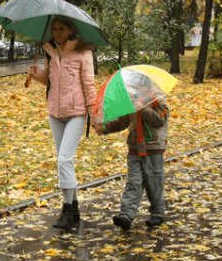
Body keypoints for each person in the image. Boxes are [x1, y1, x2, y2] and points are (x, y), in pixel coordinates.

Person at [27, 16, 97, 231]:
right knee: (64, 160)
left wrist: (94, 114)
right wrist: (36, 74)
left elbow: (89, 83)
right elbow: (49, 79)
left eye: (61, 29)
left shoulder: (83, 52)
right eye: (54, 29)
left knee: (64, 160)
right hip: (55, 112)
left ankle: (66, 211)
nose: (57, 32)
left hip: (76, 112)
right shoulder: (50, 51)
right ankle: (74, 209)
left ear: (71, 30)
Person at [93, 99, 169, 231]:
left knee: (153, 181)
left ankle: (158, 212)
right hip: (135, 147)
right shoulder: (131, 100)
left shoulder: (157, 100)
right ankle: (126, 215)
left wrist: (143, 108)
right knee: (133, 181)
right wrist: (104, 128)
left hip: (153, 147)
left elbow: (161, 120)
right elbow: (122, 121)